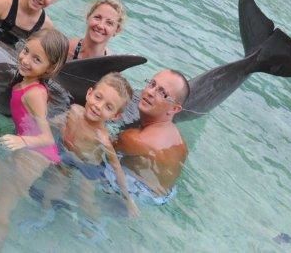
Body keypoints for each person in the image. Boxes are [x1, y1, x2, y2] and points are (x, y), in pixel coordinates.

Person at [0, 29, 69, 253]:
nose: (25, 60)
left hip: (36, 154)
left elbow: (46, 137)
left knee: (4, 209)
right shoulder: (25, 82)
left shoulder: (34, 93)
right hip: (29, 150)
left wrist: (23, 142)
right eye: (26, 51)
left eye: (36, 59)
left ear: (51, 68)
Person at [34, 72, 139, 229]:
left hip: (89, 167)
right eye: (98, 97)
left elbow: (116, 168)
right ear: (89, 93)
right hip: (66, 155)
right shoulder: (74, 110)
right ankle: (45, 214)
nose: (99, 106)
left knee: (86, 200)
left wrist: (128, 200)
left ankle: (95, 226)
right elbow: (52, 124)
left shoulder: (102, 138)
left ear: (116, 116)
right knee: (55, 186)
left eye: (108, 107)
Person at [109, 69, 189, 205]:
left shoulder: (135, 139)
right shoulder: (180, 142)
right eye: (152, 84)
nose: (150, 92)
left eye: (162, 93)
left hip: (132, 194)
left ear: (174, 109)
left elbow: (99, 147)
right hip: (164, 197)